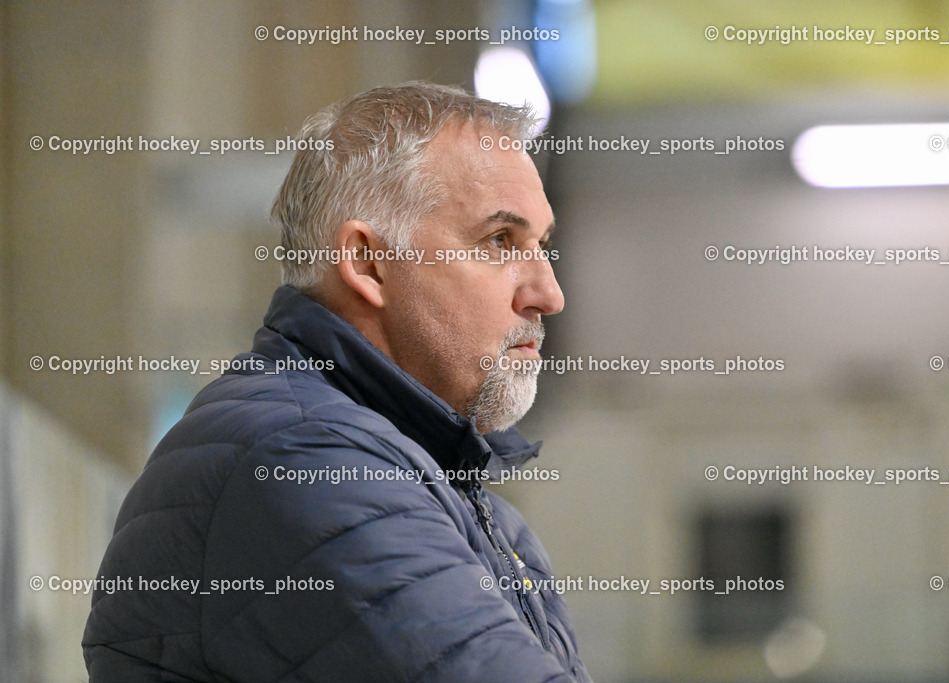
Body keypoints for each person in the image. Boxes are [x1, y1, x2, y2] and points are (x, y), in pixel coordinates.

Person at [82, 83, 590, 682]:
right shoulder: (301, 458)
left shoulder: (472, 505)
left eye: (541, 245)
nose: (548, 294)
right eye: (500, 241)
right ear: (368, 263)